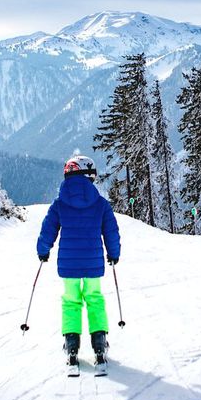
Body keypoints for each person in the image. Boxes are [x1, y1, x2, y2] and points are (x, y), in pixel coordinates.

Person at [36, 155, 121, 368]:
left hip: (69, 264)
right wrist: (113, 253)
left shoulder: (59, 204)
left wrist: (43, 250)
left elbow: (48, 229)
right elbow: (111, 231)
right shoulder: (101, 204)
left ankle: (72, 346)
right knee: (94, 299)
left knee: (71, 301)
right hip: (93, 264)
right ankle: (99, 345)